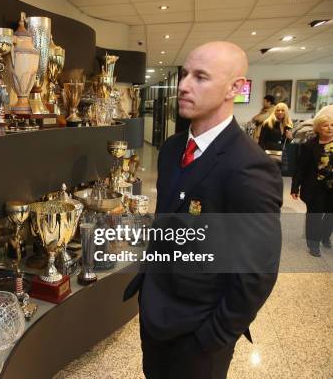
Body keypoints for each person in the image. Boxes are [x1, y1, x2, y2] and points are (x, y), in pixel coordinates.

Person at [123, 41, 282, 379]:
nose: (183, 85)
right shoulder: (171, 149)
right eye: (184, 75)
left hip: (199, 333)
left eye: (200, 77)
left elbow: (257, 271)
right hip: (156, 312)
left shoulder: (249, 167)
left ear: (234, 88)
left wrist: (214, 337)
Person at [291, 112, 333, 257]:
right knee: (314, 215)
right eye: (325, 125)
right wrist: (295, 186)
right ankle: (313, 244)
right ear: (317, 128)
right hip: (315, 187)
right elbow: (300, 168)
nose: (329, 128)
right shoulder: (309, 146)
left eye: (332, 125)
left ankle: (325, 237)